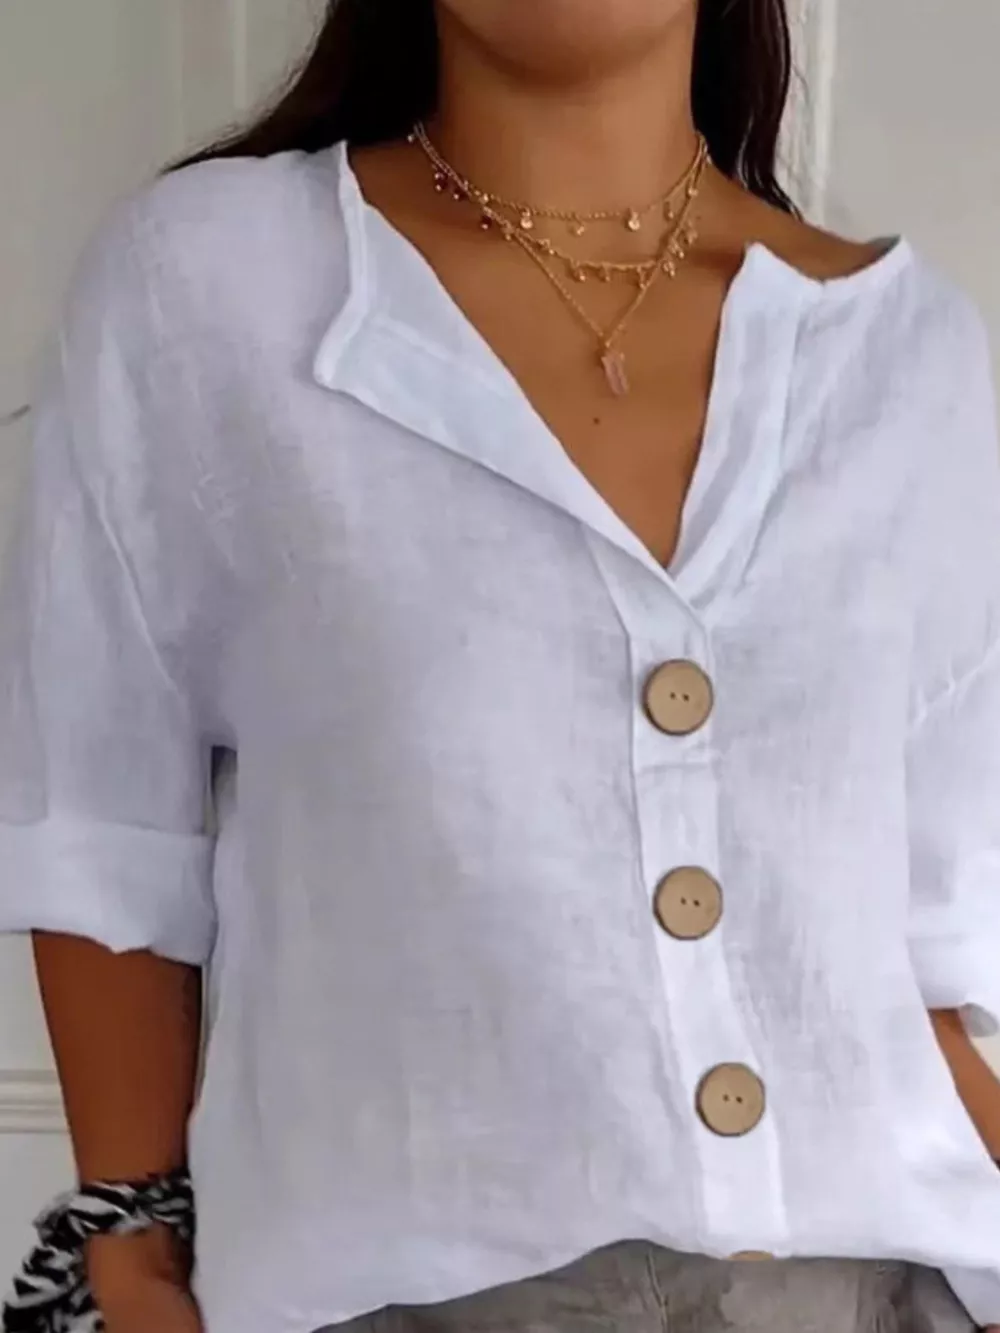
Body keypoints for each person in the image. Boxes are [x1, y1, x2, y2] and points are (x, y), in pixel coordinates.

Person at [1, 0, 1000, 1330]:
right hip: (400, 1289)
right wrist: (128, 1243)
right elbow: (101, 808)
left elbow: (913, 956)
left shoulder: (909, 355)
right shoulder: (211, 286)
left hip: (877, 1285)